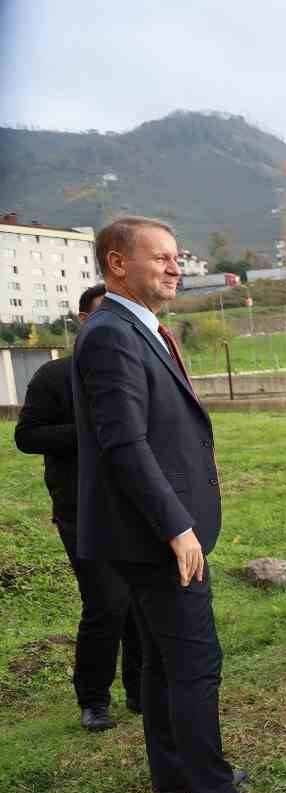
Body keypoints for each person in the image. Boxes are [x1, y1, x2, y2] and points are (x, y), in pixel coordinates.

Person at [73, 216, 286, 793]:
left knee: (162, 662)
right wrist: (176, 526)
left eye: (178, 257)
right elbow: (124, 443)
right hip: (153, 535)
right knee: (195, 663)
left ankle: (176, 782)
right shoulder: (112, 334)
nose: (176, 268)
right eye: (162, 257)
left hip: (146, 532)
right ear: (118, 263)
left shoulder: (137, 328)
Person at [14, 283, 142, 732]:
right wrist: (87, 432)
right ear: (85, 321)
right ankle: (94, 700)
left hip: (136, 505)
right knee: (106, 602)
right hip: (81, 509)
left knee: (139, 602)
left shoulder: (135, 368)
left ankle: (140, 690)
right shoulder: (54, 377)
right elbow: (26, 436)